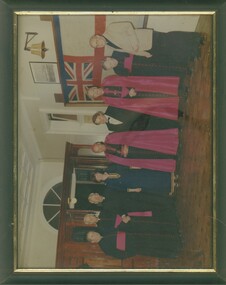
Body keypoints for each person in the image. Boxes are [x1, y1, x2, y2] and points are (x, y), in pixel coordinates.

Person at [89, 21, 204, 62]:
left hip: (148, 37)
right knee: (171, 50)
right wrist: (144, 53)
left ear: (97, 36)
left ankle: (196, 38)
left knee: (172, 39)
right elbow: (131, 51)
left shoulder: (111, 29)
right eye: (97, 46)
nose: (99, 45)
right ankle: (193, 51)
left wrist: (134, 42)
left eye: (97, 42)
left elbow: (128, 26)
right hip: (147, 47)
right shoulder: (111, 47)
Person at [86, 75, 181, 120]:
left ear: (94, 87)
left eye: (93, 90)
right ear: (95, 97)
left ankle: (179, 91)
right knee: (156, 100)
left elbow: (122, 79)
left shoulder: (106, 80)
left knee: (157, 88)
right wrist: (129, 95)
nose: (95, 92)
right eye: (93, 94)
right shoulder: (106, 100)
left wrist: (129, 89)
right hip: (134, 99)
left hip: (136, 84)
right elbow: (121, 104)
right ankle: (176, 103)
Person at [91, 128, 179, 172]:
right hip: (133, 157)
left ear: (99, 143)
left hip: (134, 144)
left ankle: (174, 148)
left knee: (154, 146)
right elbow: (121, 163)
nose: (99, 148)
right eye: (98, 150)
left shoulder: (109, 137)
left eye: (98, 146)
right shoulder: (108, 156)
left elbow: (125, 134)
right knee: (152, 156)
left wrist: (125, 145)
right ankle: (172, 157)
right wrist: (131, 166)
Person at [72, 226, 182, 259]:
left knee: (156, 240)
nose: (94, 235)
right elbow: (120, 255)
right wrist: (132, 251)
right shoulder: (104, 247)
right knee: (154, 250)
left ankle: (176, 242)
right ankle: (172, 253)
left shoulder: (105, 230)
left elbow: (119, 229)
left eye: (93, 233)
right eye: (92, 236)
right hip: (135, 247)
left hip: (135, 236)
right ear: (92, 241)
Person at [102, 51, 191, 82]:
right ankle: (184, 72)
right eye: (110, 67)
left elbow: (131, 50)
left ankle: (185, 64)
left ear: (108, 59)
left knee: (165, 61)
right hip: (144, 70)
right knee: (163, 71)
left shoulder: (117, 53)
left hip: (144, 58)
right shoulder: (117, 71)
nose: (112, 65)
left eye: (109, 63)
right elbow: (131, 75)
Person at [91, 163, 174, 195]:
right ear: (98, 181)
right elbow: (122, 189)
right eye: (97, 178)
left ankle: (171, 176)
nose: (98, 176)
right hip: (133, 182)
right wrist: (133, 190)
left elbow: (123, 166)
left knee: (152, 174)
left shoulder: (110, 168)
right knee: (151, 183)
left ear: (98, 172)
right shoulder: (109, 184)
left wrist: (135, 166)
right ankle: (170, 185)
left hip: (134, 173)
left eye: (97, 175)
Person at [92, 107, 179, 132]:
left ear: (100, 114)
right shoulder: (110, 128)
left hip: (140, 115)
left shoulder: (111, 108)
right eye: (99, 122)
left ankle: (178, 115)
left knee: (161, 114)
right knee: (160, 126)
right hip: (140, 127)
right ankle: (177, 125)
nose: (101, 120)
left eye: (99, 118)